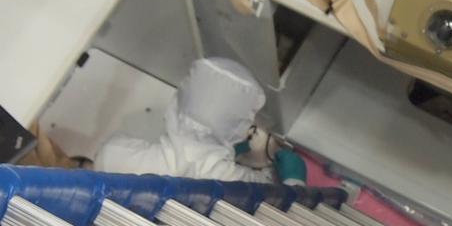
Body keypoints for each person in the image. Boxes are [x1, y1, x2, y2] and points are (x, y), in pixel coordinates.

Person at [96, 57, 304, 183]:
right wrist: (290, 177)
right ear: (241, 129)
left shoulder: (114, 155)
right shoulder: (236, 182)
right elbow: (274, 194)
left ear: (177, 102)